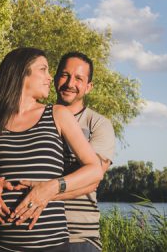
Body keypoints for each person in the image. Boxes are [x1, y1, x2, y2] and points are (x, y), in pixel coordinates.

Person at [0, 47, 103, 252]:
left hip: (50, 245)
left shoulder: (57, 114)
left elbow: (94, 169)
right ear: (21, 73)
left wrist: (52, 187)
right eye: (43, 69)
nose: (50, 78)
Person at [51, 52, 115, 252]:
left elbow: (91, 179)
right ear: (54, 78)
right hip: (38, 231)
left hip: (79, 237)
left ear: (89, 87)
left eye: (78, 78)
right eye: (64, 75)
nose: (70, 83)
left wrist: (40, 193)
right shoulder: (36, 118)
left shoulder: (98, 124)